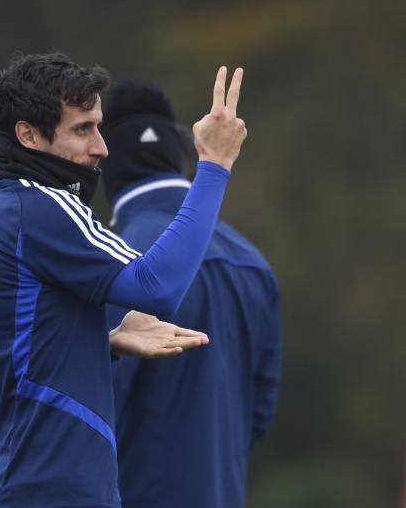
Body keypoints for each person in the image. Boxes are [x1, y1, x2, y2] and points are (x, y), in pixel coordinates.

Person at [0, 52, 247, 507]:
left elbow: (20, 354)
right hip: (55, 490)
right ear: (28, 135)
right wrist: (214, 165)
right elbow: (158, 287)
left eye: (99, 126)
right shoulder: (41, 208)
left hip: (6, 486)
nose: (102, 148)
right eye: (82, 129)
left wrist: (102, 341)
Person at [100, 80, 281, 508]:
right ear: (177, 153)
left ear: (104, 165)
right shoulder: (253, 262)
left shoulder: (110, 262)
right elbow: (260, 410)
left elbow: (91, 407)